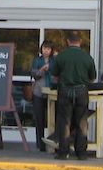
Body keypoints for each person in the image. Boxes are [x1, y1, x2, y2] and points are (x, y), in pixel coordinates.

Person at [49, 31, 97, 160]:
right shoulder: (87, 57)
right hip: (82, 91)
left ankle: (63, 152)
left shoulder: (61, 56)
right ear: (80, 42)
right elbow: (92, 78)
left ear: (68, 41)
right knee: (81, 122)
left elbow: (54, 77)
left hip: (65, 91)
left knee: (65, 122)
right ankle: (81, 153)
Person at [30, 40, 56, 152]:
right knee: (39, 118)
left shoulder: (54, 61)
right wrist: (41, 70)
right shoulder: (37, 60)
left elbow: (57, 73)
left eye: (48, 49)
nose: (46, 51)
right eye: (44, 48)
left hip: (51, 91)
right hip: (38, 92)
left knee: (52, 118)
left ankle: (53, 142)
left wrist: (49, 68)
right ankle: (40, 144)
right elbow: (34, 75)